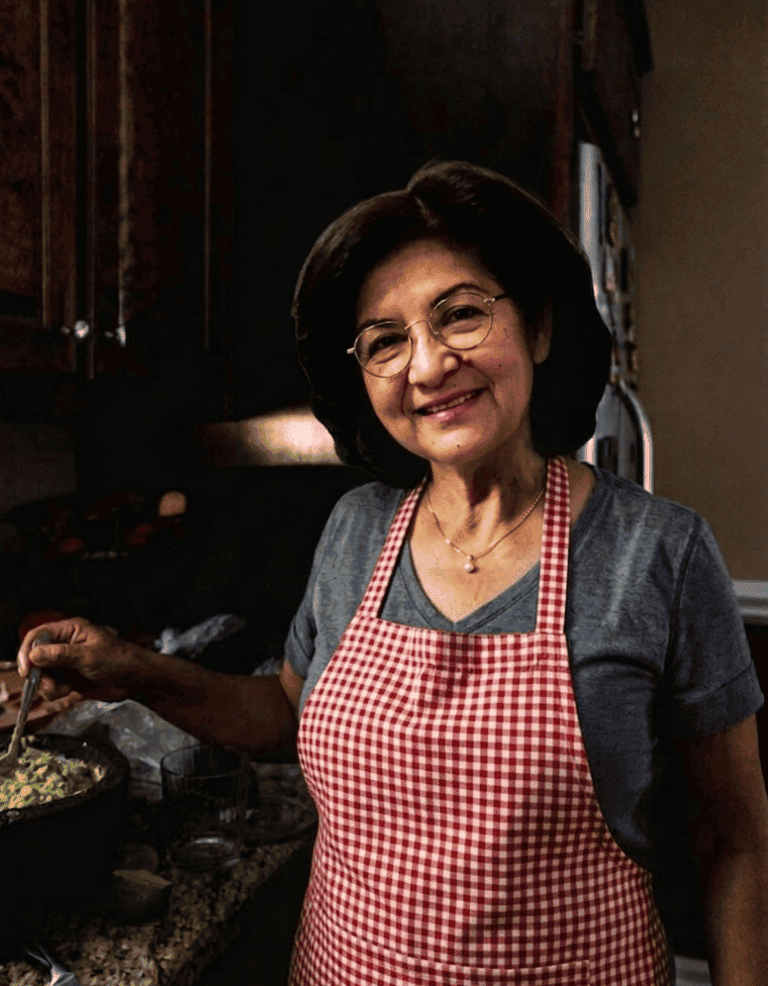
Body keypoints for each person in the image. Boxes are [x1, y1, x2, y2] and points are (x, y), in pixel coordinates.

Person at [14, 160, 768, 985]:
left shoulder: (658, 553)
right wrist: (128, 671)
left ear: (541, 328)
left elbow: (734, 841)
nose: (429, 365)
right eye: (385, 341)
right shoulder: (355, 529)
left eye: (462, 315)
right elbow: (283, 717)